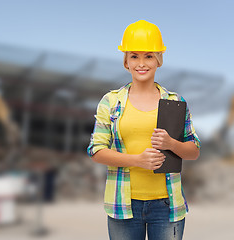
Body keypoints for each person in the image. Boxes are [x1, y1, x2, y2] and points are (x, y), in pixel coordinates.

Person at [87, 20, 201, 240]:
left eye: (148, 56)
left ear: (158, 60)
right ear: (126, 62)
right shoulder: (110, 102)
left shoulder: (175, 101)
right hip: (123, 204)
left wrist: (171, 144)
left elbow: (194, 150)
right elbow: (96, 150)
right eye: (134, 56)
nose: (141, 63)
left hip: (167, 206)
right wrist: (137, 160)